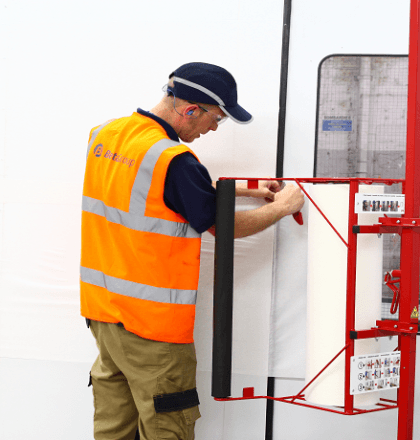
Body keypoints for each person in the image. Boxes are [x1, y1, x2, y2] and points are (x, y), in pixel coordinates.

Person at [80, 62, 304, 440]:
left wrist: (245, 191)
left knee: (113, 429)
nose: (213, 128)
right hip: (153, 330)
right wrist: (283, 207)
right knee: (169, 427)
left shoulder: (106, 135)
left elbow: (156, 197)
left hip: (105, 315)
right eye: (215, 118)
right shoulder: (175, 161)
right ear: (190, 110)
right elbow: (221, 226)